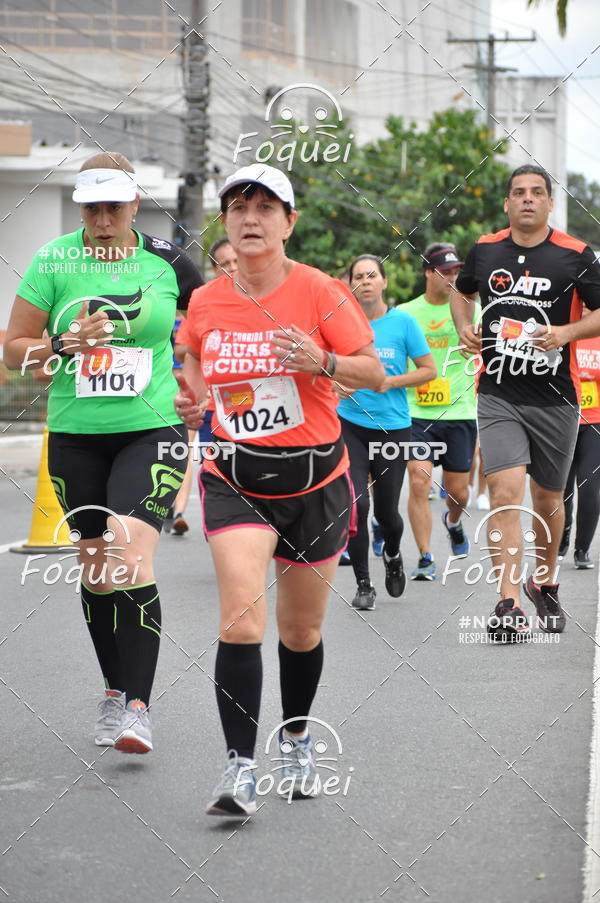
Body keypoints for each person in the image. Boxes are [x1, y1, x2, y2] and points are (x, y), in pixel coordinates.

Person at [175, 163, 384, 816]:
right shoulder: (209, 298)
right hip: (236, 477)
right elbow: (194, 355)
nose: (250, 216)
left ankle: (295, 736)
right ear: (226, 221)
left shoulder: (321, 292)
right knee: (241, 614)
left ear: (289, 221)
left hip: (316, 480)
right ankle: (239, 767)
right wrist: (196, 396)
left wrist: (320, 360)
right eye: (238, 204)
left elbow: (374, 372)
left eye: (267, 205)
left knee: (299, 630)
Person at [4, 151, 202, 751]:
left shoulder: (169, 261)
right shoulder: (54, 259)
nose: (102, 217)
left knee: (129, 552)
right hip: (76, 434)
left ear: (135, 203)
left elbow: (207, 327)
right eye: (91, 205)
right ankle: (114, 690)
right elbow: (14, 349)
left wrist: (197, 382)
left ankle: (139, 707)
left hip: (152, 427)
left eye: (114, 205)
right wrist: (61, 344)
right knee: (96, 569)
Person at [451, 163, 600, 640]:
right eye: (519, 193)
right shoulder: (486, 249)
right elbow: (460, 294)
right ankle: (508, 600)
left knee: (549, 498)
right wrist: (462, 328)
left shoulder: (576, 255)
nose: (528, 200)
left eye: (538, 193)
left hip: (556, 397)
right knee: (505, 492)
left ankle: (547, 582)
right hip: (499, 394)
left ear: (551, 202)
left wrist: (565, 334)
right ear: (507, 203)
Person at [337, 255, 436, 609]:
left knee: (386, 513)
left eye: (371, 275)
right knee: (355, 505)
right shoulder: (340, 323)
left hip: (392, 428)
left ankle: (393, 553)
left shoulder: (403, 323)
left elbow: (428, 370)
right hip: (349, 424)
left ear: (384, 282)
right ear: (350, 284)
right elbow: (327, 368)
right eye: (358, 276)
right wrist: (337, 384)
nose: (364, 281)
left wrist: (389, 381)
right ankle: (364, 584)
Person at [402, 243, 478, 581]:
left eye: (455, 271)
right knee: (419, 482)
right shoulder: (406, 313)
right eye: (444, 271)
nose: (451, 277)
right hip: (417, 413)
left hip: (460, 411)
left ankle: (454, 522)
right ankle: (425, 557)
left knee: (458, 492)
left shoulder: (470, 309)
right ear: (427, 273)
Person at [170, 238, 238, 535]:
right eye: (226, 264)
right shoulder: (203, 304)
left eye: (236, 261)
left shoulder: (267, 300)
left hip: (251, 409)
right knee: (210, 468)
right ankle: (192, 516)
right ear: (214, 269)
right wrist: (210, 345)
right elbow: (183, 350)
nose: (233, 268)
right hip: (208, 404)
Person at [559, 312, 600, 569]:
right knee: (560, 490)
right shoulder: (564, 332)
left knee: (589, 486)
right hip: (562, 421)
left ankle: (582, 548)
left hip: (594, 423)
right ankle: (560, 536)